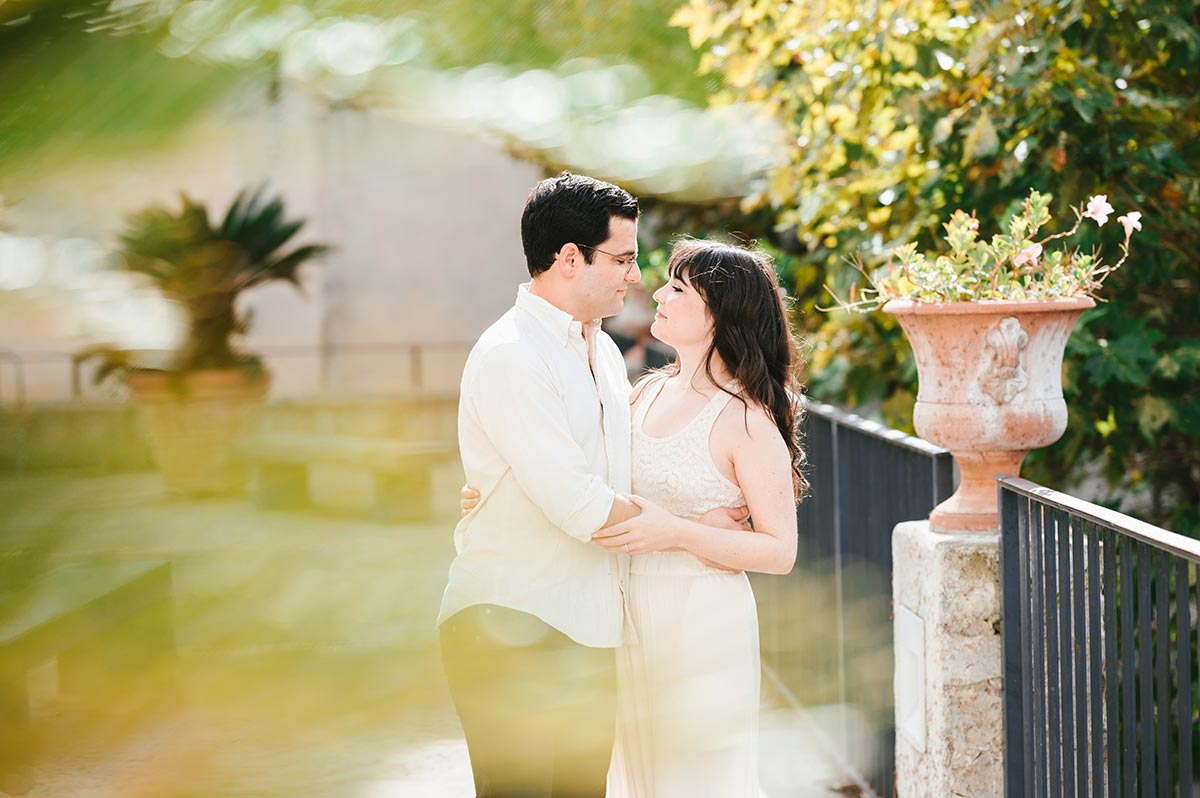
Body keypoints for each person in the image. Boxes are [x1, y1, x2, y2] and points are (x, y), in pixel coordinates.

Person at [438, 172, 746, 798]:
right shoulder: (511, 354)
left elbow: (616, 476)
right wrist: (691, 534)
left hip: (590, 629)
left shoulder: (604, 352)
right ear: (569, 259)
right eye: (624, 259)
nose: (635, 277)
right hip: (510, 622)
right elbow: (576, 501)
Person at [463, 238, 806, 797]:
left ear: (720, 312)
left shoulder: (746, 417)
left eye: (678, 288)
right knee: (636, 776)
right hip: (622, 613)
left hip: (701, 620)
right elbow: (576, 472)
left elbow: (780, 550)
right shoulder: (640, 393)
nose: (658, 295)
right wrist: (494, 493)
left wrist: (679, 532)